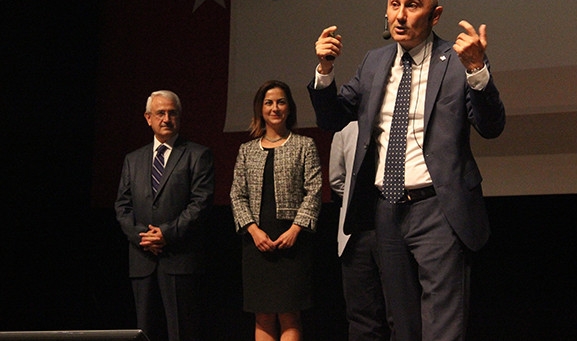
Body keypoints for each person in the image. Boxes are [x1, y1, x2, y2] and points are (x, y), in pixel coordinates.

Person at [308, 0, 506, 340]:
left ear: (435, 15)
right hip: (386, 209)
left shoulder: (458, 60)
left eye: (412, 5)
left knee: (443, 324)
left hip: (439, 208)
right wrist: (324, 70)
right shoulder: (374, 62)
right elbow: (333, 118)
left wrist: (477, 71)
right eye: (394, 4)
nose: (400, 15)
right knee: (402, 323)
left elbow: (491, 126)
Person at [114, 90, 215, 341]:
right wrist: (143, 237)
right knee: (145, 331)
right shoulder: (133, 159)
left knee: (181, 332)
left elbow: (200, 204)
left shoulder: (197, 154)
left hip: (179, 259)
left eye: (172, 113)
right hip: (142, 259)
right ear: (148, 118)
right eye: (160, 113)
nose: (166, 119)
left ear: (180, 117)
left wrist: (166, 234)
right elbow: (122, 206)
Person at [230, 80, 322, 341]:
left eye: (281, 102)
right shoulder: (246, 150)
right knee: (263, 315)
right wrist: (253, 231)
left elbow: (314, 191)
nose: (275, 108)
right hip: (256, 242)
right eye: (269, 103)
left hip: (292, 241)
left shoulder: (304, 145)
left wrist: (296, 229)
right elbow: (237, 194)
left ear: (289, 107)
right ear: (260, 109)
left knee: (290, 315)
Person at [329, 121, 390, 341]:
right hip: (356, 235)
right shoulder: (346, 129)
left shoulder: (396, 121)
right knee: (362, 316)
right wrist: (359, 199)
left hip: (393, 231)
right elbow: (337, 180)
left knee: (400, 311)